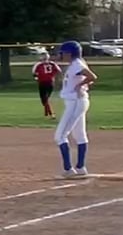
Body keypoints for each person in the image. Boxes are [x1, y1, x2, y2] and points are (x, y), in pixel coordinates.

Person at [54, 40, 96, 177]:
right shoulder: (75, 64)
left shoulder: (77, 64)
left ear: (69, 53)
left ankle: (68, 169)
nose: (61, 55)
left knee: (60, 136)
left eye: (63, 53)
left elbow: (92, 76)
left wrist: (79, 86)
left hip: (75, 102)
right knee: (79, 135)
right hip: (77, 101)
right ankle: (80, 168)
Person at [33, 52, 60, 118]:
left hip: (43, 82)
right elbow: (59, 70)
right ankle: (46, 112)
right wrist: (53, 75)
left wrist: (37, 78)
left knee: (45, 99)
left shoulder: (39, 64)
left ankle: (51, 113)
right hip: (50, 82)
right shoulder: (52, 64)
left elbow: (34, 73)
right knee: (46, 99)